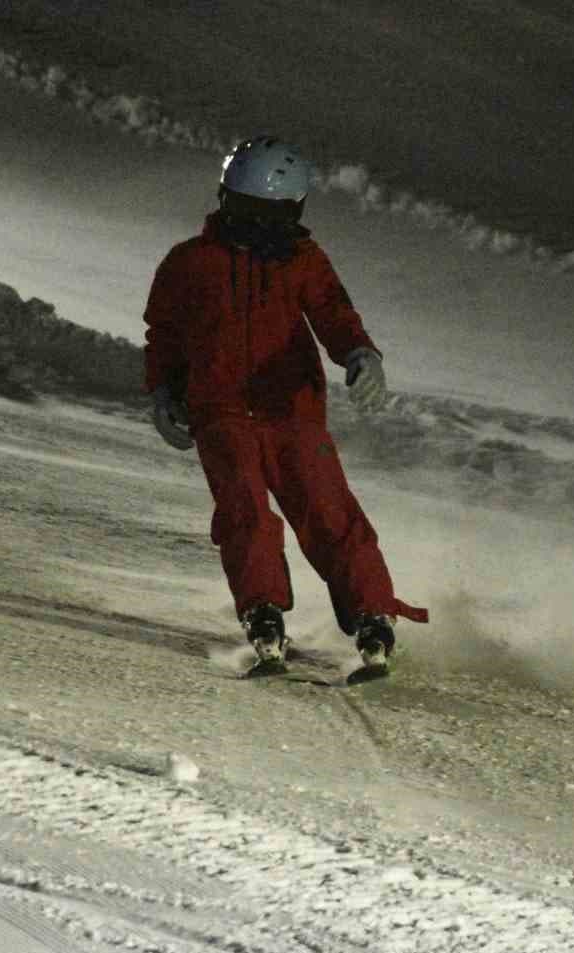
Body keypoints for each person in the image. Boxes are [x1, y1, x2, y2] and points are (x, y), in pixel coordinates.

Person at [143, 135, 427, 672]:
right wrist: (163, 393)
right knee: (244, 510)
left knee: (328, 510)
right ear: (225, 200)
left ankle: (372, 613)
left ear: (292, 213)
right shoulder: (190, 263)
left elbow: (334, 313)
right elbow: (164, 335)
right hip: (221, 411)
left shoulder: (302, 261)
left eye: (269, 215)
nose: (255, 227)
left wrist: (361, 354)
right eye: (244, 210)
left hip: (291, 410)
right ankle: (263, 611)